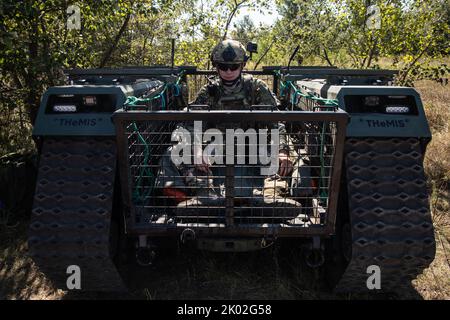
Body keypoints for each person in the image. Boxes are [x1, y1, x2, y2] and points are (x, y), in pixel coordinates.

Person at [157, 39, 301, 213]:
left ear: (242, 65)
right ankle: (205, 198)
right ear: (216, 66)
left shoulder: (256, 88)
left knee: (288, 151)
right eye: (223, 66)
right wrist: (196, 149)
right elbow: (190, 123)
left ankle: (271, 197)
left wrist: (282, 150)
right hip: (216, 149)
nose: (228, 71)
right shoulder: (209, 91)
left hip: (253, 147)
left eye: (234, 66)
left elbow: (275, 123)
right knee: (177, 149)